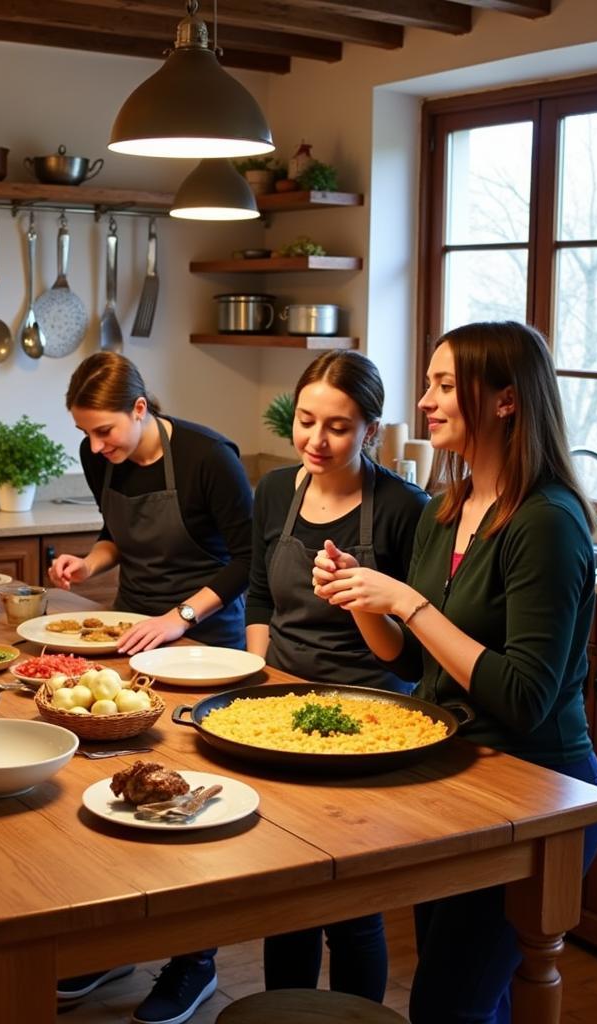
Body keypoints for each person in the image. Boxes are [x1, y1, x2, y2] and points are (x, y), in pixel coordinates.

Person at [312, 321, 597, 1024]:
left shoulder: (547, 522)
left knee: (450, 1004)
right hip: (460, 782)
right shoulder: (449, 509)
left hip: (537, 791)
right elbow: (412, 660)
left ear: (505, 400)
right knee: (468, 1000)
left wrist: (407, 602)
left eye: (444, 385)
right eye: (429, 384)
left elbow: (525, 697)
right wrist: (361, 596)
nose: (424, 402)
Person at [48, 351, 253, 1024]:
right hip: (137, 638)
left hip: (205, 644)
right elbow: (115, 535)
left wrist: (180, 618)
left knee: (182, 811)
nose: (96, 445)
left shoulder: (208, 457)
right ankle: (115, 944)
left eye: (105, 430)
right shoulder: (100, 453)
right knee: (117, 794)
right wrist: (90, 559)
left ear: (141, 409)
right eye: (87, 434)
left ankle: (193, 963)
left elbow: (249, 560)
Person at [246, 350, 427, 1001]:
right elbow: (259, 598)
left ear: (372, 431)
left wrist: (359, 598)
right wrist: (260, 686)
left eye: (339, 426)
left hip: (370, 722)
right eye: (306, 420)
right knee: (285, 898)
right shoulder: (274, 491)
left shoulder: (407, 510)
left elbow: (408, 656)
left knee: (353, 905)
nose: (316, 440)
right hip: (277, 713)